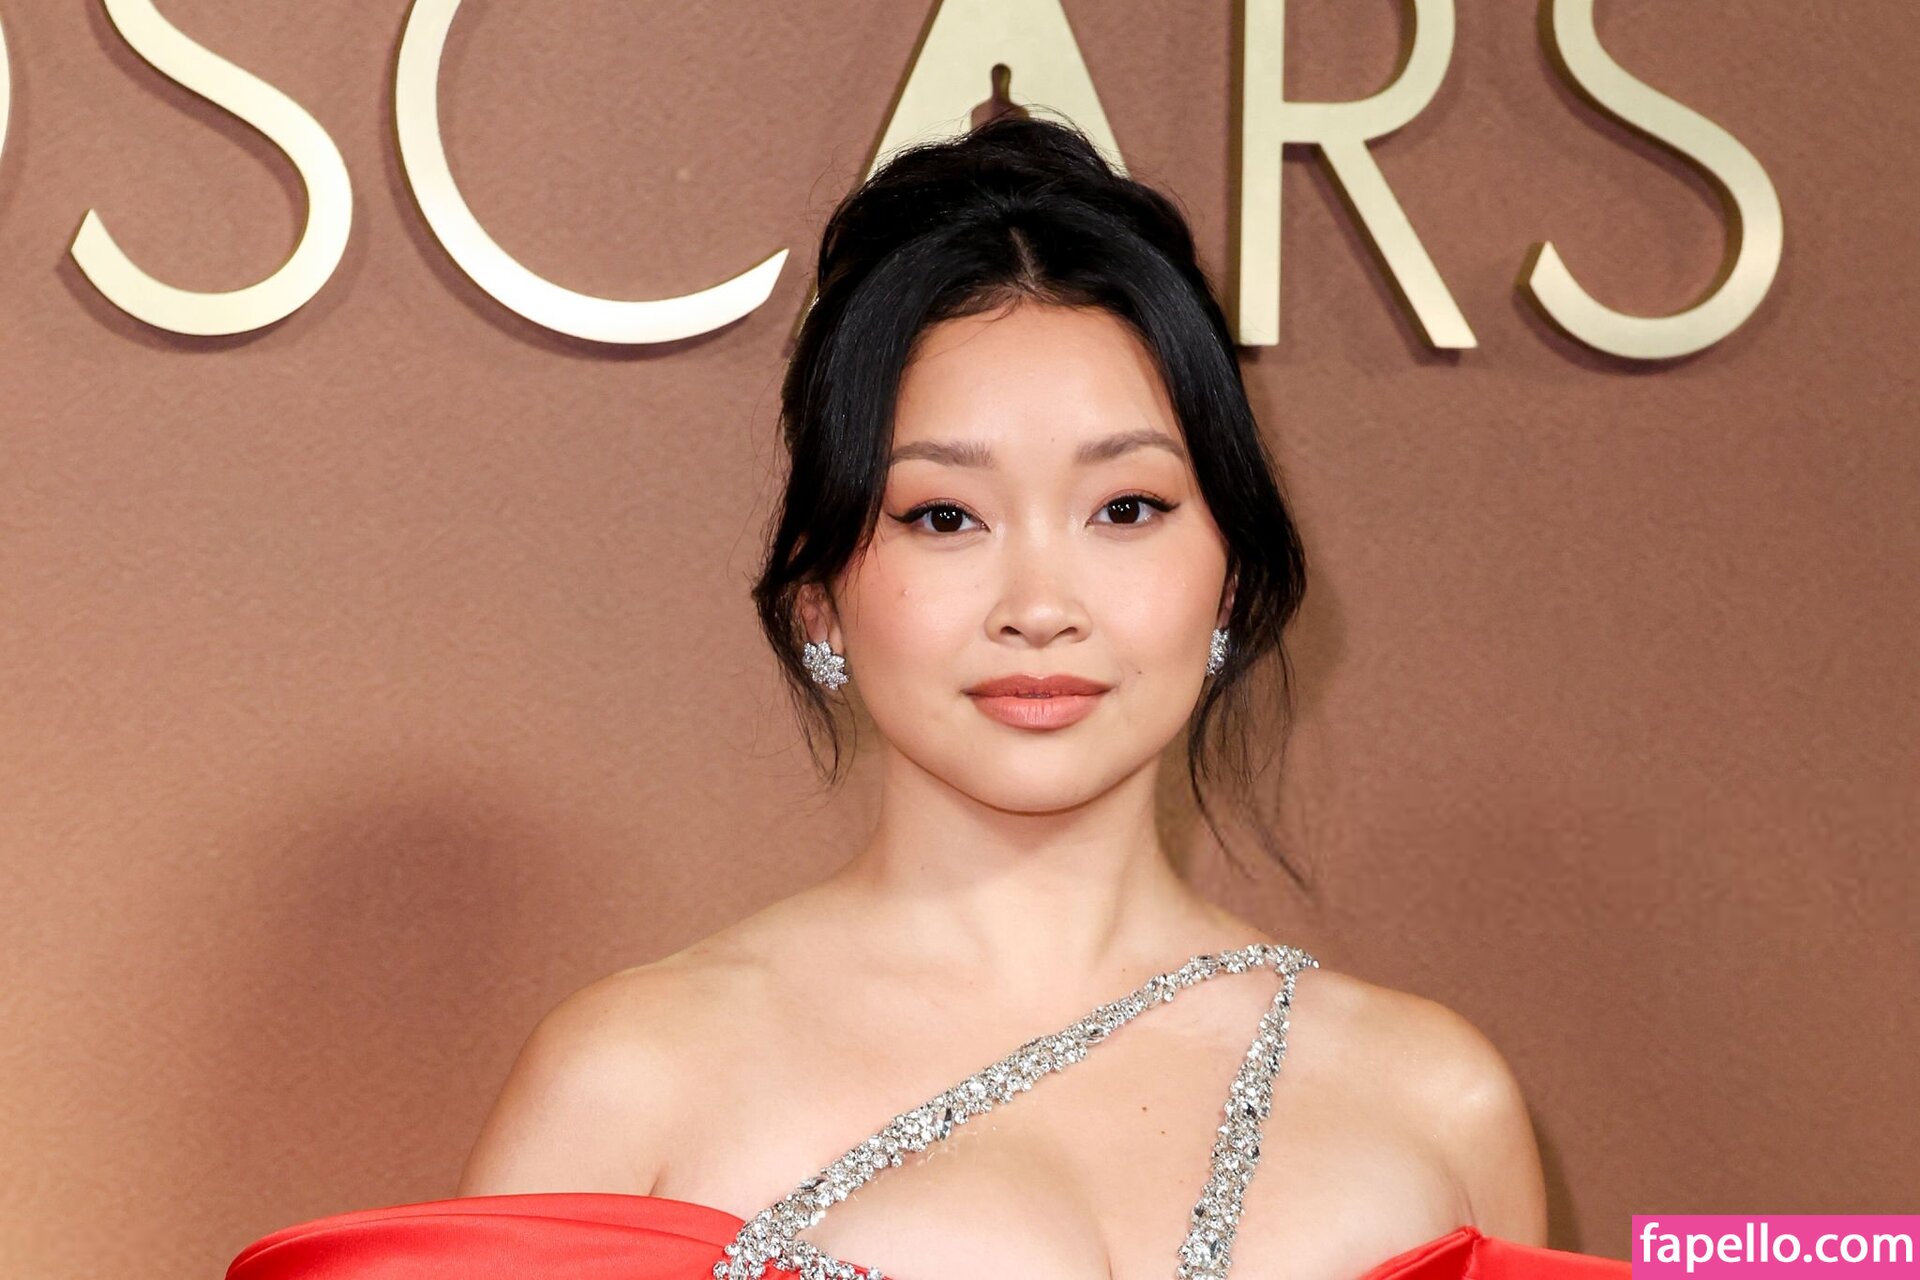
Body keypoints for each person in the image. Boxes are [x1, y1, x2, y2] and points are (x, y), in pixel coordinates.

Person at [222, 114, 1628, 1280]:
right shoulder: (638, 1075)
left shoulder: (1434, 1099)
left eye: (1127, 507)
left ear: (1235, 579)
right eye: (945, 517)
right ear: (821, 593)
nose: (1040, 601)